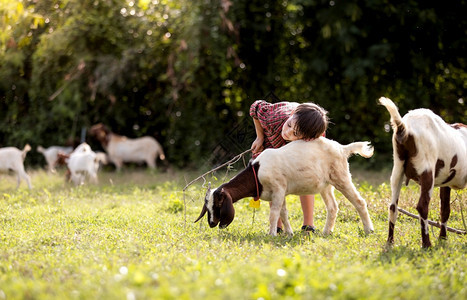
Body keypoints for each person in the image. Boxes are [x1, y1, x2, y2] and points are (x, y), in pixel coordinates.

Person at [250, 99, 329, 233]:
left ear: (307, 138)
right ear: (292, 114)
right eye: (290, 126)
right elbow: (255, 107)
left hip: (296, 148)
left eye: (295, 133)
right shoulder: (273, 119)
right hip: (272, 140)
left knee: (305, 176)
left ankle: (308, 225)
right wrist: (260, 137)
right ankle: (278, 226)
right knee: (272, 178)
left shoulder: (313, 139)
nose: (288, 132)